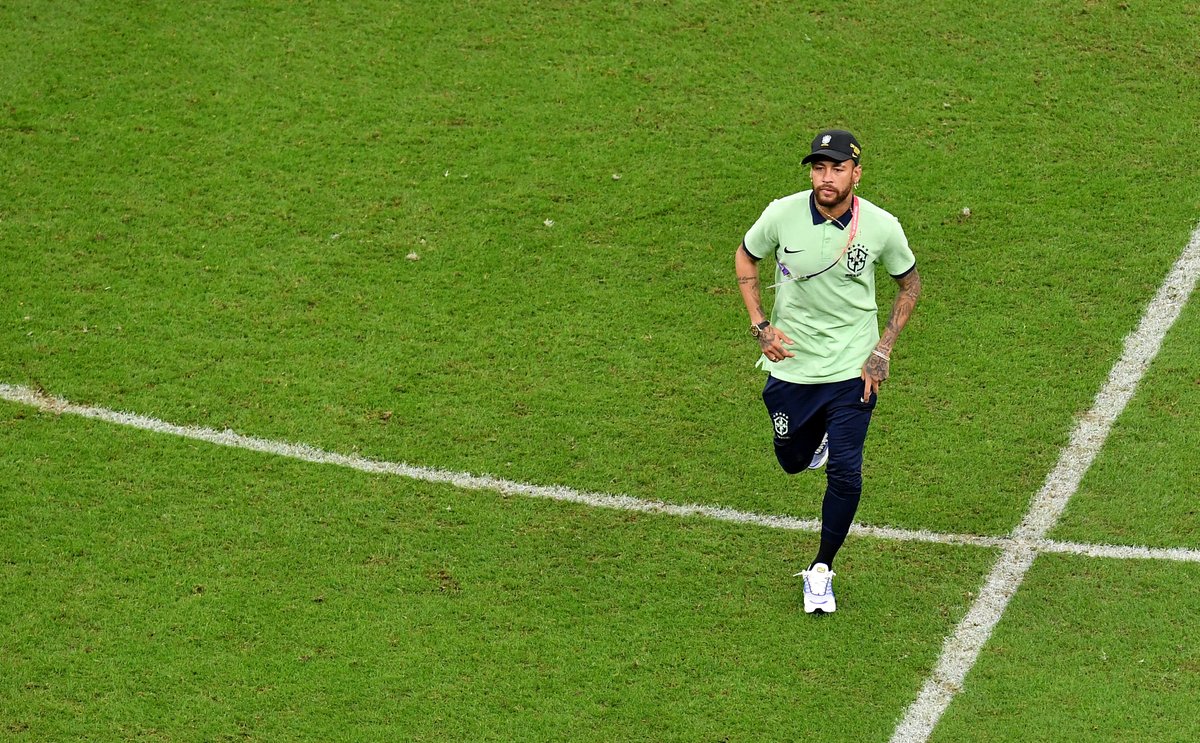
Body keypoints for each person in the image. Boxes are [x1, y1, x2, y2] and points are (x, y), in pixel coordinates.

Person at [734, 129, 922, 614]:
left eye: (838, 168)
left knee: (847, 470)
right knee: (791, 459)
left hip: (851, 369)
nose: (826, 178)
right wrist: (760, 325)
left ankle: (821, 570)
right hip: (792, 365)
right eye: (819, 168)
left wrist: (882, 349)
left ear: (856, 174)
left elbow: (909, 284)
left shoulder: (881, 226)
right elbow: (746, 255)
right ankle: (810, 443)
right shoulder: (781, 213)